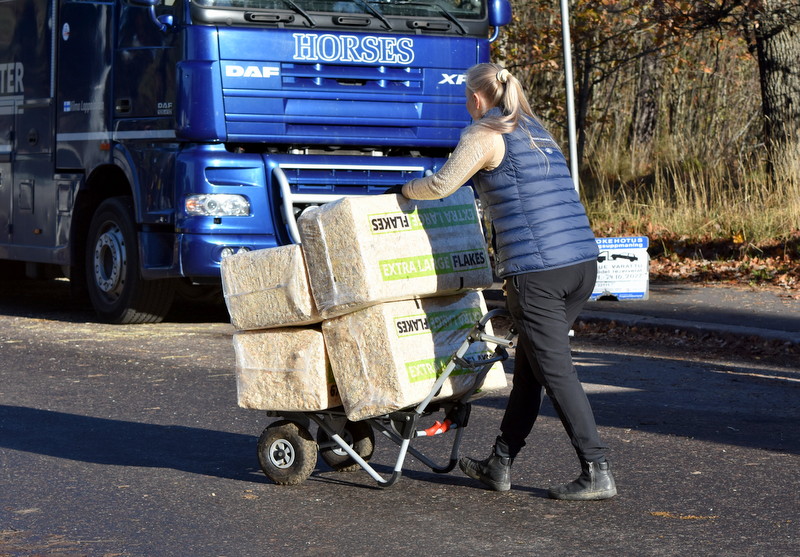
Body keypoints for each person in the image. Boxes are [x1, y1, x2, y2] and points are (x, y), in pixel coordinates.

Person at [399, 62, 616, 501]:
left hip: (538, 273)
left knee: (556, 372)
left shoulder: (484, 132)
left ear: (477, 98)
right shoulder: (535, 129)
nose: (467, 104)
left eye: (466, 98)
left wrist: (404, 190)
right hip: (580, 264)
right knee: (532, 370)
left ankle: (596, 471)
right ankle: (500, 462)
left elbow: (442, 185)